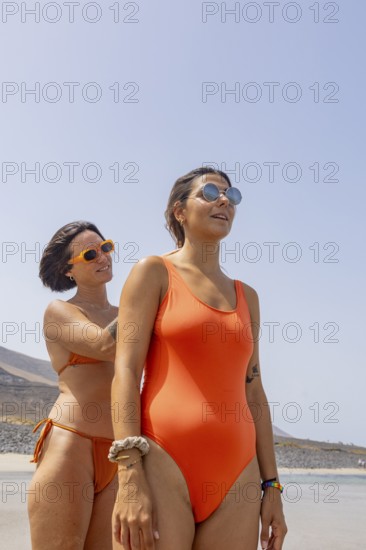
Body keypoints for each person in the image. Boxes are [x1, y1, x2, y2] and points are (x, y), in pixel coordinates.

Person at [111, 167, 288, 550]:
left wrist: (272, 486)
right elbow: (125, 370)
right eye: (209, 192)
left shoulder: (248, 296)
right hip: (162, 460)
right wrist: (128, 475)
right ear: (179, 212)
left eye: (231, 195)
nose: (224, 200)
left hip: (238, 475)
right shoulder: (153, 272)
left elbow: (254, 390)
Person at [28, 221, 119, 550]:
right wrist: (147, 292)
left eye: (105, 247)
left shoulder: (128, 314)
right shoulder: (60, 311)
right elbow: (104, 346)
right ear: (69, 271)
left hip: (120, 452)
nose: (103, 257)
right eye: (90, 254)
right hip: (71, 445)